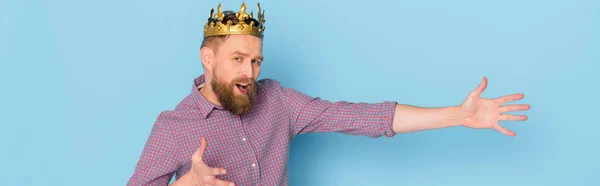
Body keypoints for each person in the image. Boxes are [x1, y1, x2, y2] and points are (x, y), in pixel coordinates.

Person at [126, 3, 530, 186]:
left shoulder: (277, 101)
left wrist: (457, 115)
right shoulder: (174, 127)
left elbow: (361, 118)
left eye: (256, 61)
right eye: (237, 59)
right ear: (207, 59)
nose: (250, 72)